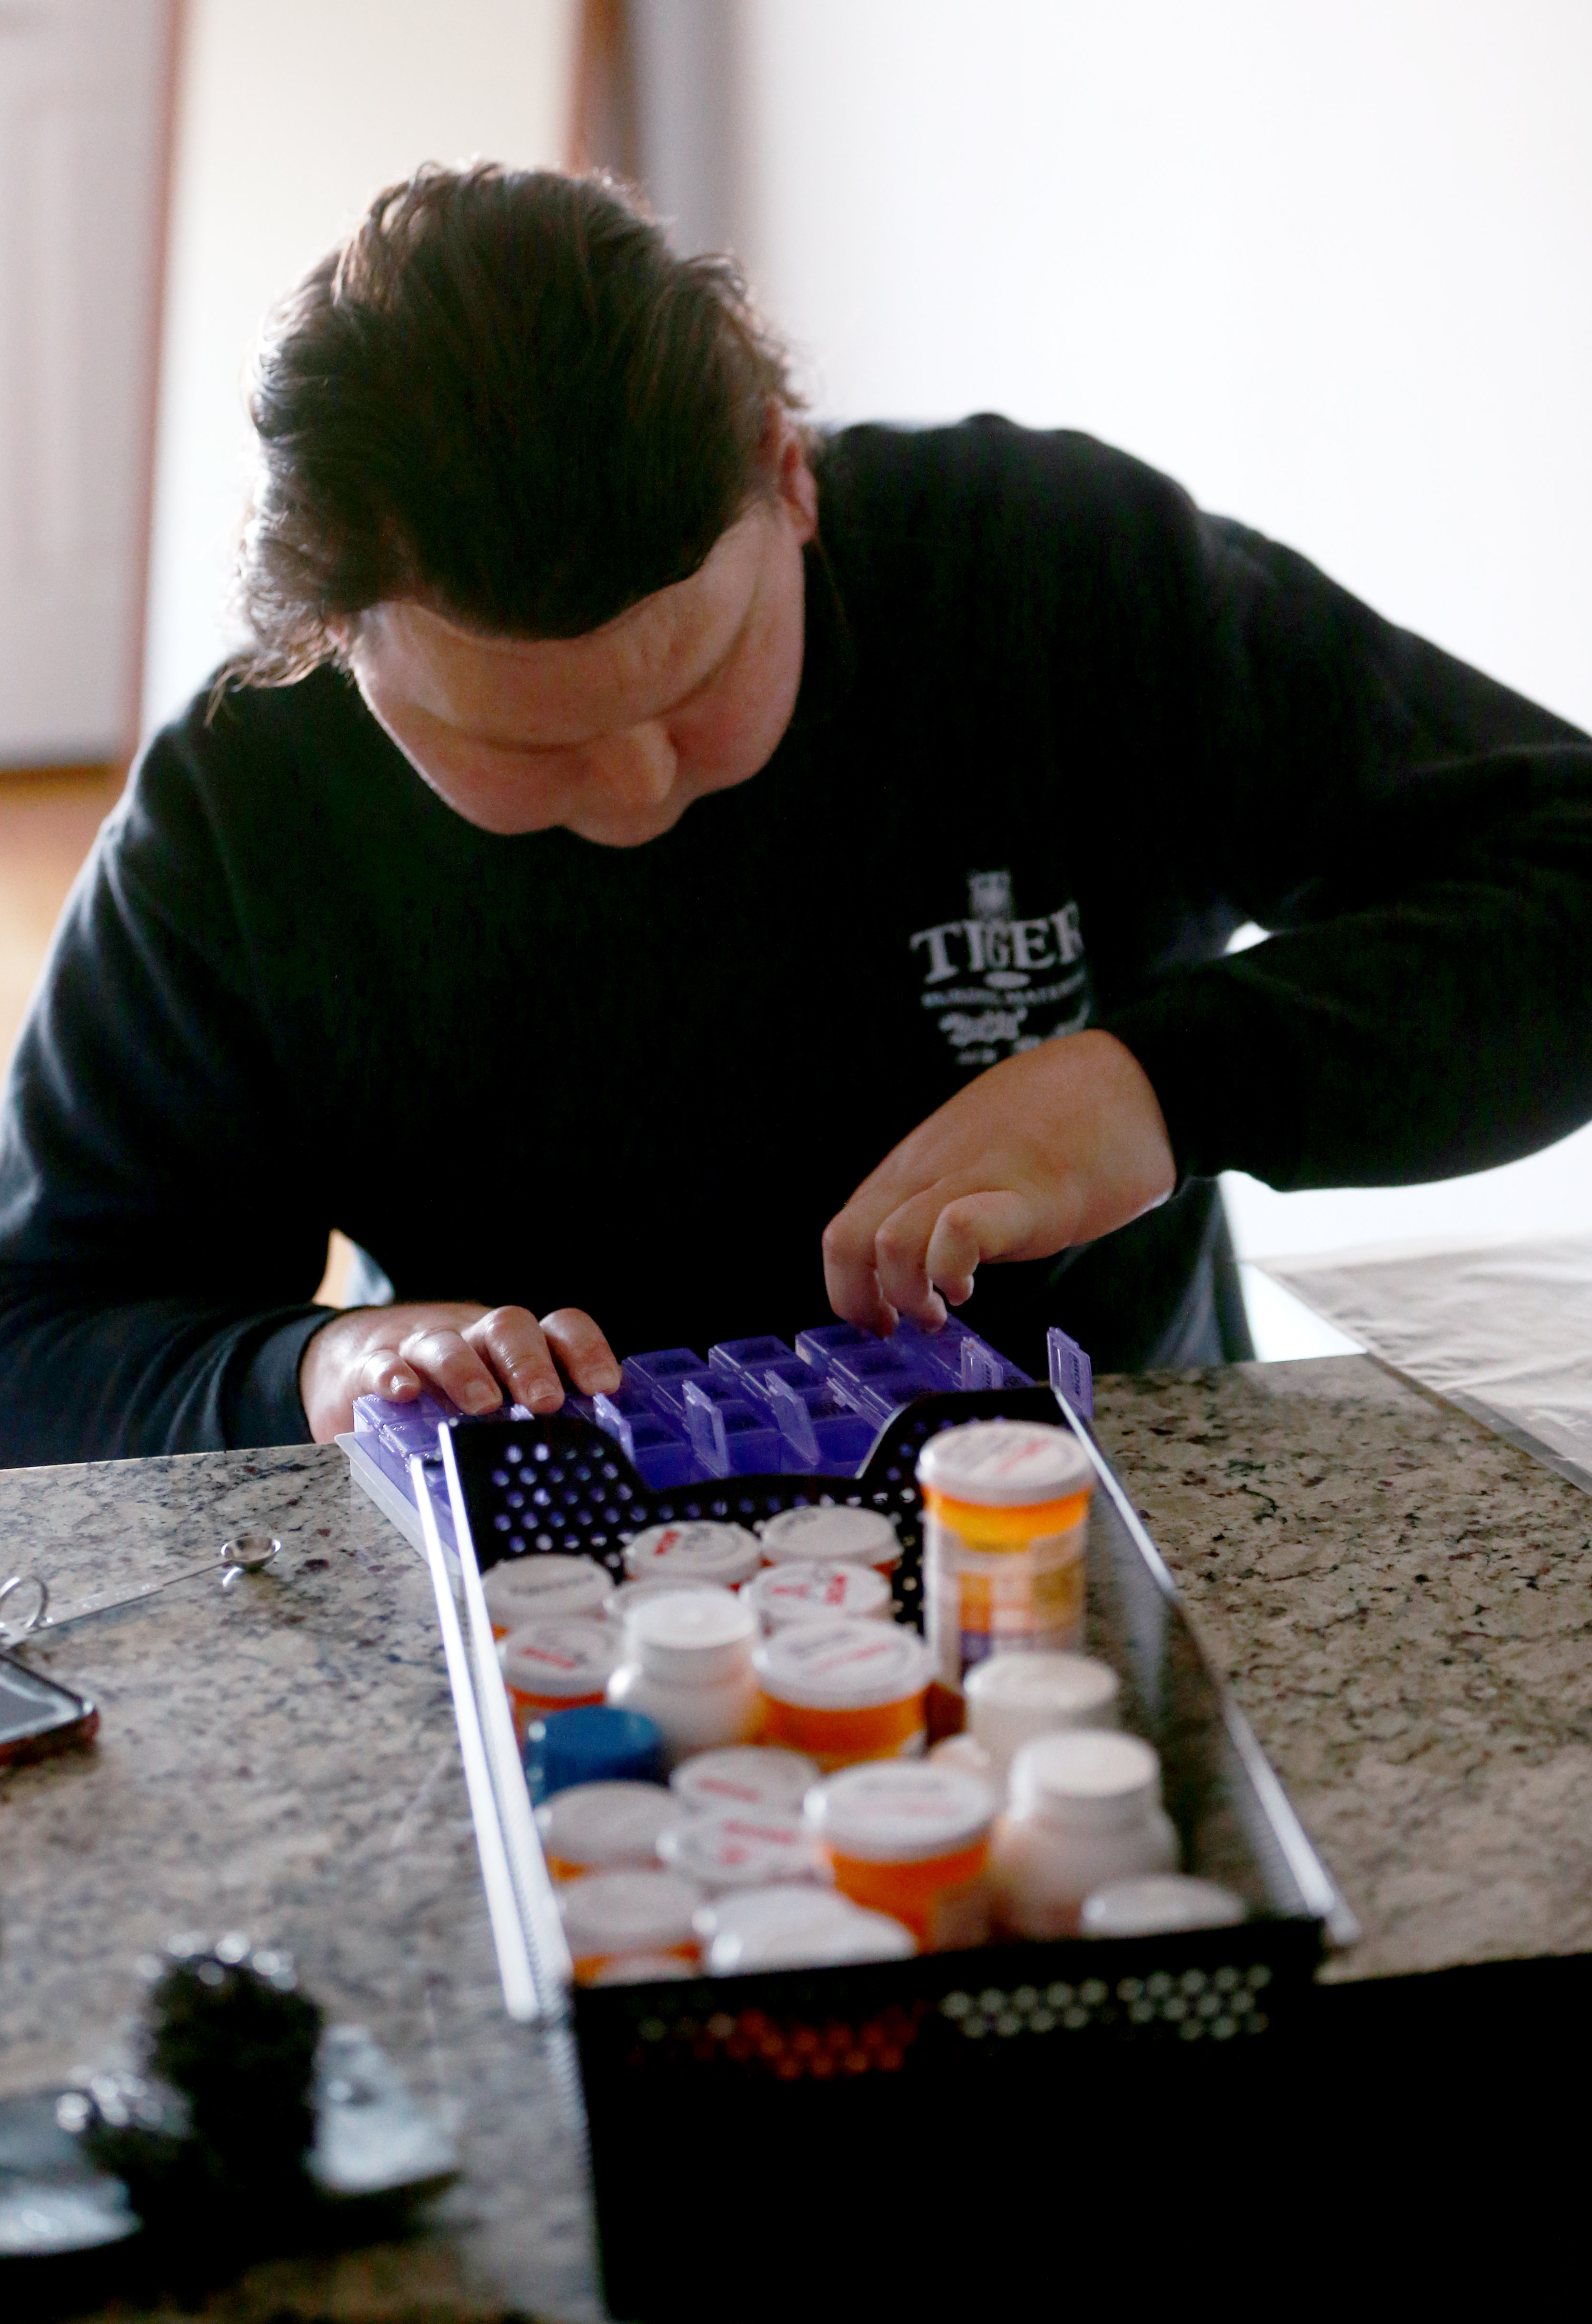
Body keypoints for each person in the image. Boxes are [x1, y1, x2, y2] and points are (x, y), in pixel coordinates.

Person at [1, 162, 1589, 1468]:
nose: (632, 792)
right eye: (521, 749)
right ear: (339, 651)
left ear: (789, 474)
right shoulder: (244, 796)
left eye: (695, 680)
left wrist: (1160, 1087)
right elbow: (41, 1336)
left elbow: (1564, 886)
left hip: (1096, 1501)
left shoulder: (1047, 572)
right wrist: (318, 1366)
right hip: (539, 1602)